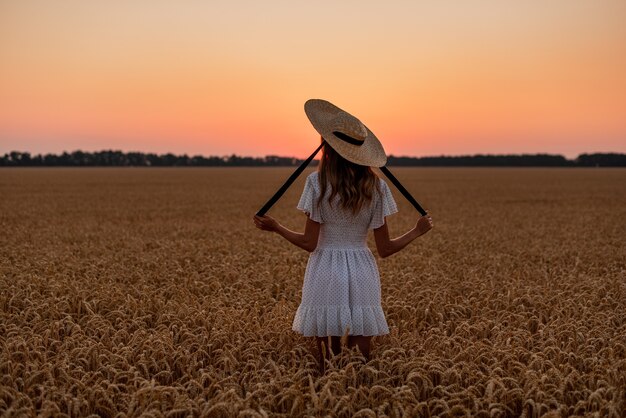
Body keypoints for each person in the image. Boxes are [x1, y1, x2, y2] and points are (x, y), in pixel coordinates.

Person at [253, 99, 433, 372]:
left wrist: (276, 227)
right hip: (362, 268)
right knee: (362, 345)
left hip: (325, 268)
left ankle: (331, 396)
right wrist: (417, 232)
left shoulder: (316, 183)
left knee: (328, 356)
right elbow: (384, 249)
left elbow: (308, 243)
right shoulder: (377, 187)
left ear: (328, 147)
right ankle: (361, 390)